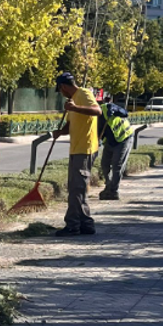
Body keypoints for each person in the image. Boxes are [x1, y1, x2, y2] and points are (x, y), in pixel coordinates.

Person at [52, 72, 102, 237]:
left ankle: (73, 225)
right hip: (76, 148)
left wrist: (74, 108)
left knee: (76, 188)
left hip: (85, 149)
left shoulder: (84, 94)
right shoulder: (72, 100)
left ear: (63, 87)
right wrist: (61, 132)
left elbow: (97, 110)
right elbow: (71, 124)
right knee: (77, 188)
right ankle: (86, 224)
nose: (61, 93)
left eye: (60, 90)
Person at [98, 96, 134, 201]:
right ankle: (109, 185)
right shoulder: (91, 120)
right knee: (104, 164)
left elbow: (125, 113)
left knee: (117, 165)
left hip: (123, 138)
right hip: (110, 142)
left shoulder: (106, 107)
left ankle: (113, 191)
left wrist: (115, 109)